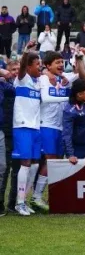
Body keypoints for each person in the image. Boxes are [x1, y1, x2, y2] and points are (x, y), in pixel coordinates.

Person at [29, 52, 78, 211]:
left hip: (60, 127)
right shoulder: (43, 79)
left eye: (62, 63)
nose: (60, 65)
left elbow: (80, 74)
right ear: (47, 65)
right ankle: (36, 197)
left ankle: (49, 197)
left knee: (55, 161)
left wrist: (79, 57)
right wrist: (68, 98)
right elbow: (46, 98)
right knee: (50, 161)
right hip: (46, 125)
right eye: (57, 62)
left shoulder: (61, 79)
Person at [12, 52, 42, 216]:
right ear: (29, 66)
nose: (40, 66)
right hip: (22, 126)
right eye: (37, 64)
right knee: (25, 163)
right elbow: (22, 67)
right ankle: (19, 202)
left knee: (35, 164)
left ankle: (25, 199)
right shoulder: (22, 79)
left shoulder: (38, 83)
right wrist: (26, 53)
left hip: (36, 128)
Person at [0, 60, 19, 214]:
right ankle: (1, 203)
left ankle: (13, 204)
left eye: (19, 69)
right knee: (4, 168)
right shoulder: (5, 87)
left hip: (20, 132)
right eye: (13, 69)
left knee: (17, 170)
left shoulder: (23, 85)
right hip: (6, 132)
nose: (16, 72)